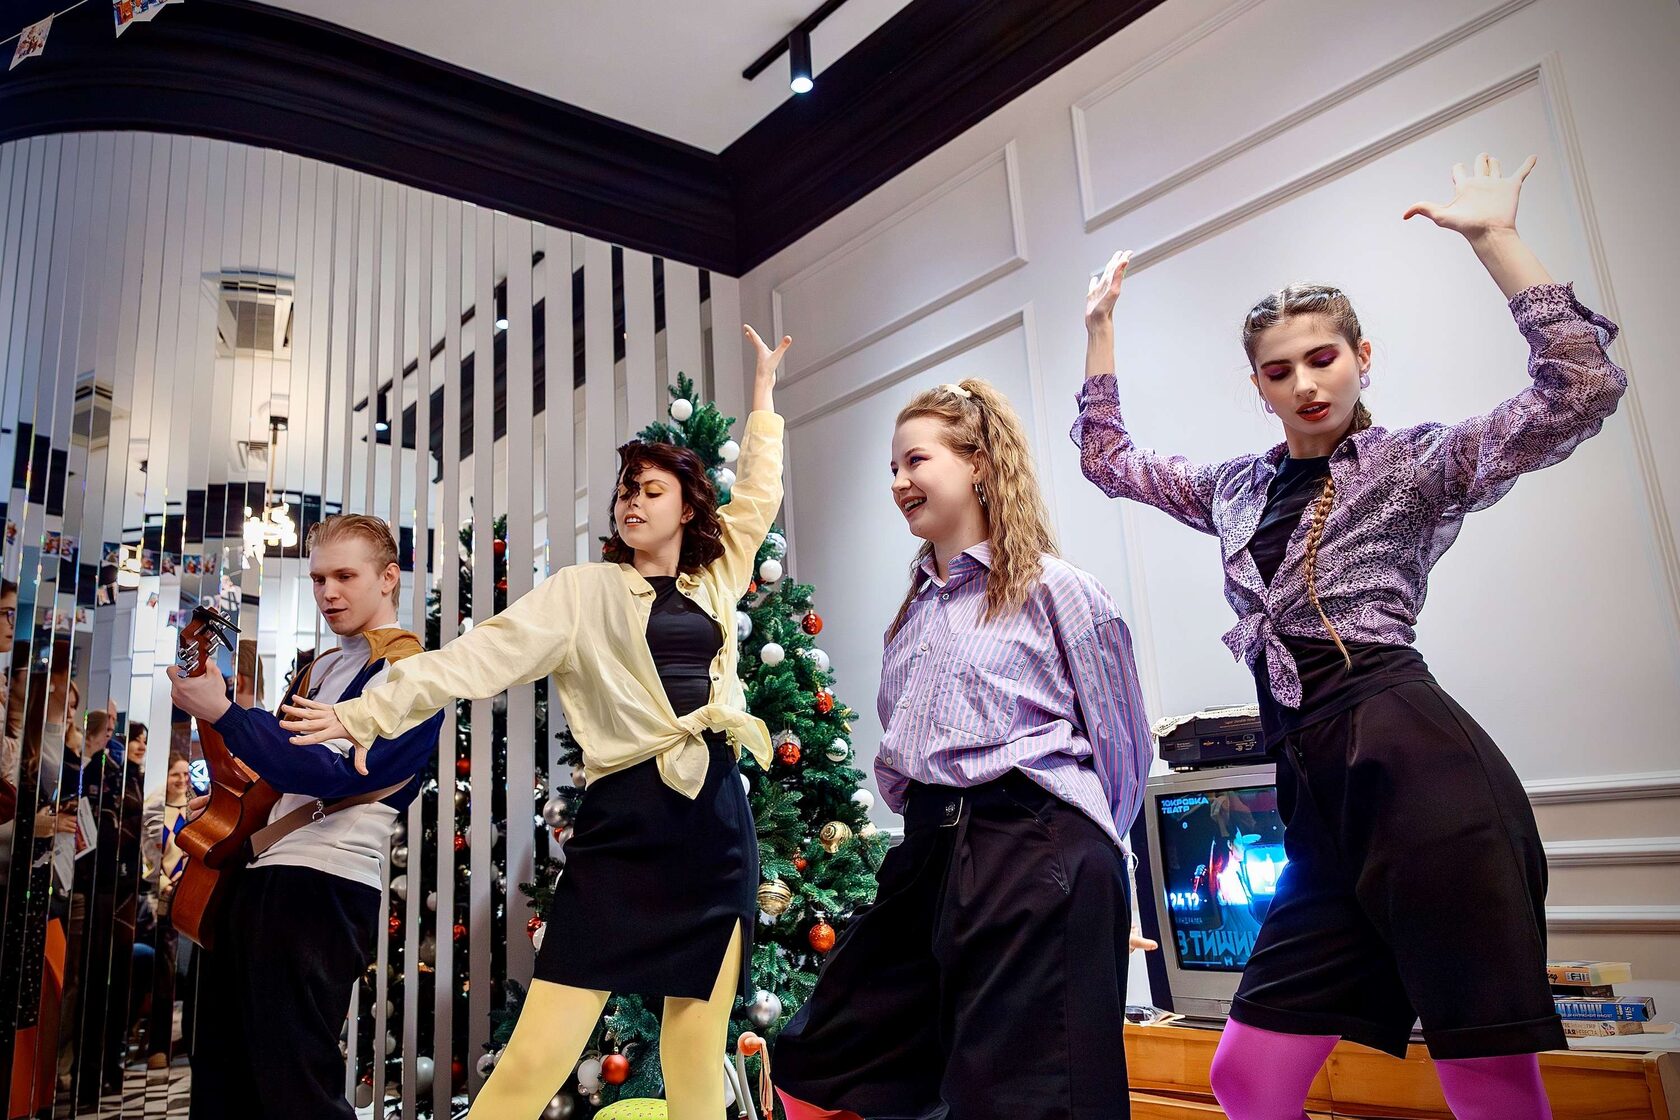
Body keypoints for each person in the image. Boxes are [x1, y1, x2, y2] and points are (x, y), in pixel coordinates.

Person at [1072, 153, 1626, 1120]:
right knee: (1246, 1075)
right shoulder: (1236, 487)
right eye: (1279, 370)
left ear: (1362, 357)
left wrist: (1495, 240)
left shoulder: (1414, 464)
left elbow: (1581, 388)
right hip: (1317, 804)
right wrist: (1099, 330)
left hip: (1421, 780)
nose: (1305, 383)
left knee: (1485, 1080)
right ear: (1258, 386)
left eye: (1323, 359)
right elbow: (1108, 459)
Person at [281, 326, 790, 1120]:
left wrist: (763, 401)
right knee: (536, 1056)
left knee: (696, 1043)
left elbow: (756, 498)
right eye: (625, 489)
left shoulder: (715, 574)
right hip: (627, 822)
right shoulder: (581, 592)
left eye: (651, 489)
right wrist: (360, 712)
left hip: (714, 818)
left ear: (689, 505)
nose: (631, 500)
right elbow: (475, 658)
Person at [773, 379, 1154, 1120]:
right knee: (822, 1054)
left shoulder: (1057, 589)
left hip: (1031, 845)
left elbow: (1123, 748)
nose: (898, 482)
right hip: (928, 852)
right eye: (892, 468)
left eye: (915, 460)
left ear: (978, 462)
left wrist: (1081, 857)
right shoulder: (913, 613)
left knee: (1024, 1097)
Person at [168, 514, 445, 1120]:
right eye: (319, 578)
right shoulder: (321, 668)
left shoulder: (411, 673)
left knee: (294, 1083)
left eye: (345, 576)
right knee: (223, 1072)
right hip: (261, 874)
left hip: (323, 883)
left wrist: (226, 714)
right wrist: (232, 802)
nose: (328, 593)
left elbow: (333, 773)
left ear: (389, 578)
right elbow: (282, 770)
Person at [140, 751, 191, 1070]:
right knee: (165, 974)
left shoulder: (196, 806)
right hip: (165, 898)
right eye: (176, 774)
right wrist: (163, 883)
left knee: (192, 973)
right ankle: (158, 1044)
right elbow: (148, 857)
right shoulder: (153, 810)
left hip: (194, 896)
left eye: (186, 774)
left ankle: (189, 1039)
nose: (182, 780)